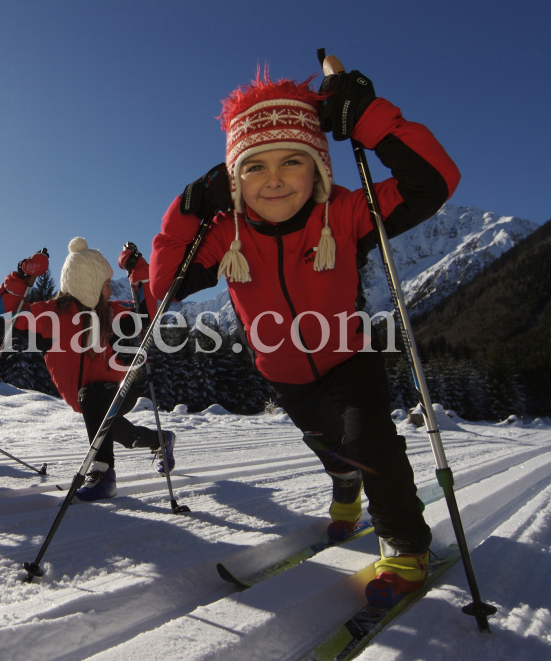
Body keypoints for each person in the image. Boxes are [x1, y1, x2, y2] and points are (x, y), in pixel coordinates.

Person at [150, 66, 459, 604]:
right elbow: (163, 287)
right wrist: (187, 209)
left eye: (293, 160)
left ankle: (406, 544)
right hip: (282, 371)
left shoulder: (345, 211)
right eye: (255, 166)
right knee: (329, 445)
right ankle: (345, 486)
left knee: (369, 440)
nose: (274, 178)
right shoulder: (227, 232)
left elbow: (433, 181)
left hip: (348, 356)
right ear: (234, 179)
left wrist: (369, 120)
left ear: (317, 168)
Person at [0, 238, 175, 501]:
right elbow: (3, 312)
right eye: (106, 285)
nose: (111, 292)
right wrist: (23, 273)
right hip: (86, 398)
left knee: (93, 401)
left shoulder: (108, 314)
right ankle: (162, 440)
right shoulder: (50, 317)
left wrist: (138, 270)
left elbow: (147, 316)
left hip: (118, 389)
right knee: (114, 430)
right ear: (89, 285)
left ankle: (102, 475)